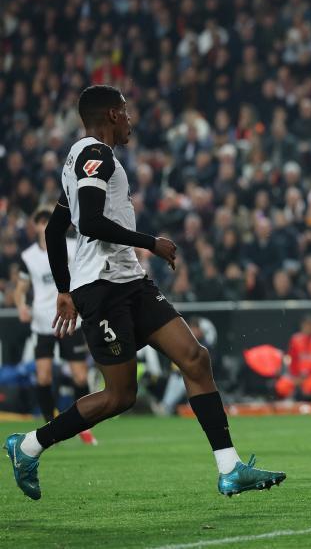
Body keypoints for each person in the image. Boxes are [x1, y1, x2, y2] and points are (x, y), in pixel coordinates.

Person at [4, 85, 284, 501]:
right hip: (101, 287)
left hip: (127, 280)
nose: (131, 120)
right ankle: (28, 446)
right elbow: (93, 223)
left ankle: (229, 468)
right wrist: (150, 241)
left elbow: (53, 230)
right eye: (127, 113)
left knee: (195, 358)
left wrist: (63, 290)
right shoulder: (95, 155)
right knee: (120, 395)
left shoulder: (78, 160)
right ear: (114, 114)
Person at [14, 208, 97, 445]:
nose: (44, 226)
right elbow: (20, 288)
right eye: (40, 222)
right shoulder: (28, 256)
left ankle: (84, 427)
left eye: (46, 221)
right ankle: (51, 427)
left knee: (80, 377)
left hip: (71, 318)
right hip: (43, 321)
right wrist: (21, 305)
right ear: (36, 226)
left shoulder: (72, 246)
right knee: (43, 376)